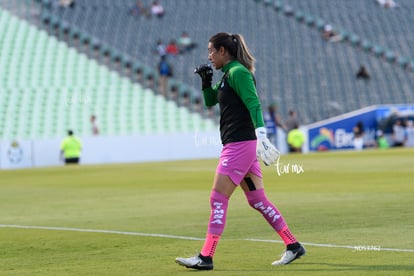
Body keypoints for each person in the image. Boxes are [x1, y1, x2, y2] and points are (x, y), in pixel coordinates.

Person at [175, 32, 305, 271]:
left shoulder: (238, 73)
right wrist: (205, 81)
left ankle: (206, 257)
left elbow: (254, 102)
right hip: (241, 146)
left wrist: (262, 135)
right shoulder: (228, 75)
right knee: (257, 200)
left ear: (223, 51)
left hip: (239, 146)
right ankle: (293, 245)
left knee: (217, 198)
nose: (209, 56)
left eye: (211, 51)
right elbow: (210, 101)